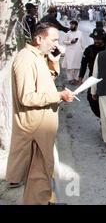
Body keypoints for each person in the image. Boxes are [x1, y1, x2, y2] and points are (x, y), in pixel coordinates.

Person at [6, 23, 75, 205]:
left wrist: (53, 61)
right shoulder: (26, 59)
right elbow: (27, 97)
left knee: (43, 171)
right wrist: (58, 95)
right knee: (39, 173)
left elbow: (44, 81)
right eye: (53, 40)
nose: (55, 45)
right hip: (35, 127)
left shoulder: (38, 57)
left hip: (42, 127)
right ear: (38, 39)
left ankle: (43, 200)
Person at [78, 28, 106, 118]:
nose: (97, 40)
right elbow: (83, 64)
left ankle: (105, 119)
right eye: (95, 38)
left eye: (99, 39)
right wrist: (80, 78)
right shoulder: (89, 49)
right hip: (92, 78)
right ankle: (102, 117)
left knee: (105, 100)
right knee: (91, 99)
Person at [62, 21, 86, 85]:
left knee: (77, 66)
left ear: (76, 26)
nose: (71, 26)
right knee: (69, 66)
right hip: (69, 52)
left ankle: (76, 78)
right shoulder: (68, 33)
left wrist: (84, 51)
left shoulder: (80, 33)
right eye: (71, 25)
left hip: (78, 52)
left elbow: (82, 43)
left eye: (73, 25)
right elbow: (64, 42)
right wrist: (70, 42)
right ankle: (70, 79)